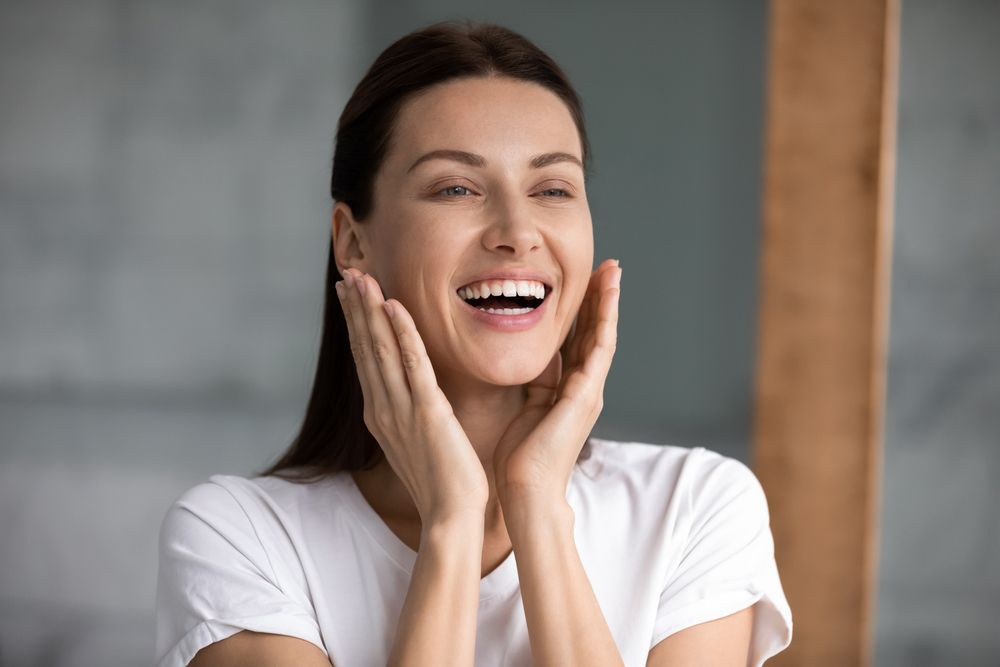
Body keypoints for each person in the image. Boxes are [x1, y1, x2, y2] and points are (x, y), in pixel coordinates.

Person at [154, 20, 792, 667]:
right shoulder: (240, 537)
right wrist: (452, 525)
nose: (518, 231)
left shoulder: (694, 507)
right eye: (457, 187)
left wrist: (537, 503)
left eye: (552, 189)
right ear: (353, 240)